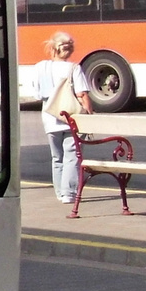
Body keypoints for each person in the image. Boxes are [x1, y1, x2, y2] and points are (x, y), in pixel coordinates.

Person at [33, 31, 91, 204]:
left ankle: (59, 192)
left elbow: (37, 94)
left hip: (49, 118)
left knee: (56, 157)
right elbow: (82, 95)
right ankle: (68, 193)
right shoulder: (74, 68)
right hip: (70, 118)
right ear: (70, 50)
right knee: (72, 156)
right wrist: (89, 114)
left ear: (52, 48)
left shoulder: (40, 67)